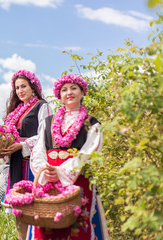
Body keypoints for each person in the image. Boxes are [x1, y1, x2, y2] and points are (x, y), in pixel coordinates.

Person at [28, 74, 109, 239]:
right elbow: (38, 150)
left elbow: (89, 152)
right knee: (47, 225)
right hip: (48, 179)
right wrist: (45, 171)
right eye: (64, 90)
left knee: (78, 227)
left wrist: (61, 171)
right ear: (59, 95)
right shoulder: (48, 122)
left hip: (77, 179)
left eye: (73, 88)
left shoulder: (91, 123)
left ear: (82, 92)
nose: (69, 92)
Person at [0, 69, 53, 240]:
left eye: (24, 86)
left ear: (33, 87)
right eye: (17, 88)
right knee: (19, 209)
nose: (20, 90)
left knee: (34, 207)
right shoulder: (17, 109)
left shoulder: (42, 106)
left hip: (32, 161)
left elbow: (45, 134)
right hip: (17, 160)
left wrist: (21, 145)